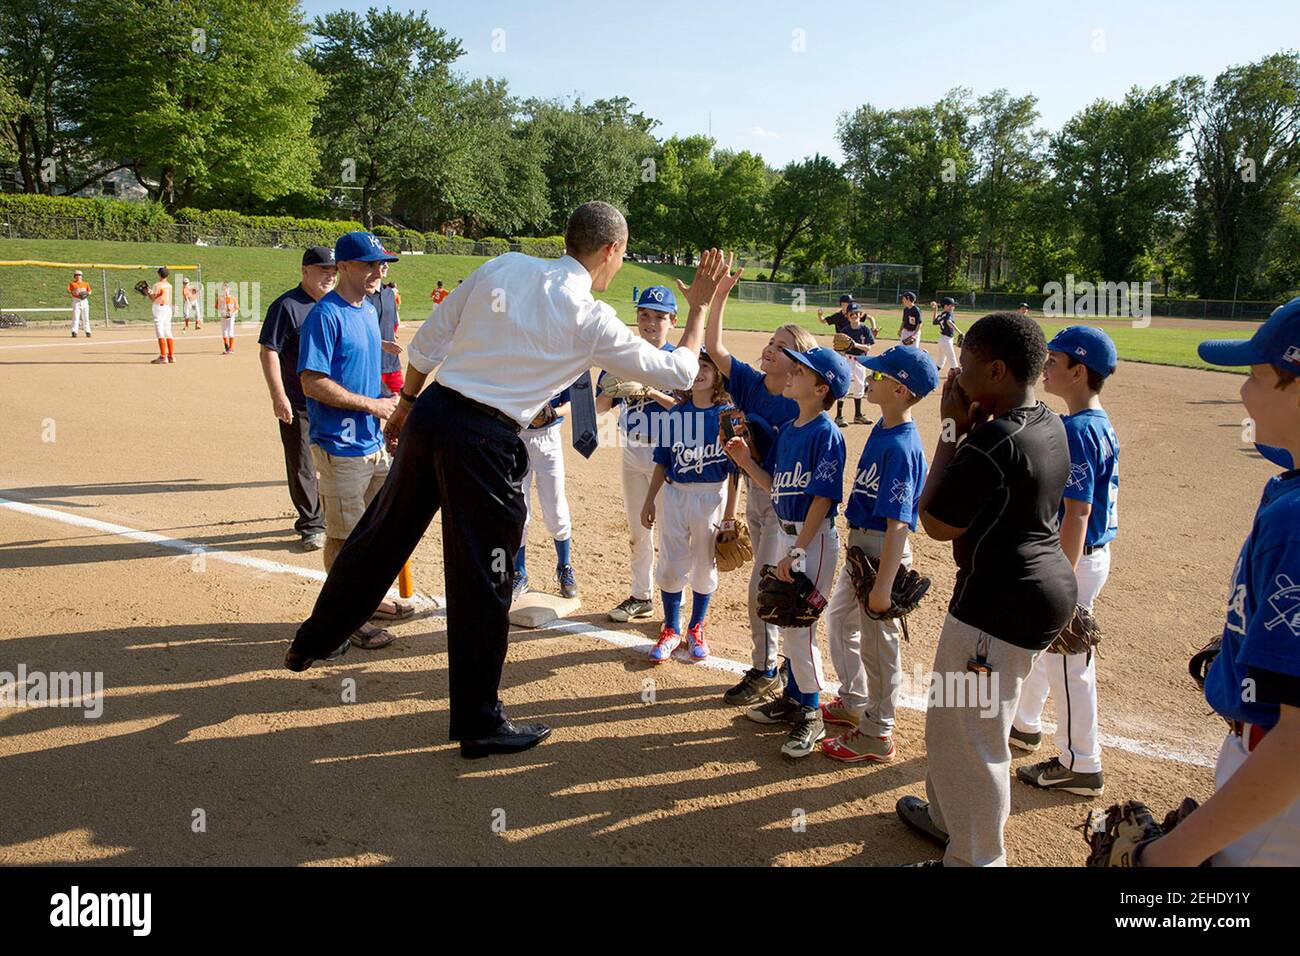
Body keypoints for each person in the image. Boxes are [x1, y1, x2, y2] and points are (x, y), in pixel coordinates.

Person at [284, 203, 724, 761]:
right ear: (611, 250)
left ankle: (314, 639)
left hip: (435, 411)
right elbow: (680, 373)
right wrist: (699, 309)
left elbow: (431, 340)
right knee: (483, 583)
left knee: (381, 533)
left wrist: (408, 404)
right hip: (484, 442)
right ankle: (478, 722)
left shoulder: (505, 266)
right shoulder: (589, 316)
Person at [895, 312, 1076, 867]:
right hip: (1036, 589)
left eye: (966, 366)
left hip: (997, 607)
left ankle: (975, 860)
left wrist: (950, 429)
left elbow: (936, 520)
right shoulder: (1045, 419)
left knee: (970, 741)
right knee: (959, 725)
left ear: (996, 369)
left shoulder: (992, 438)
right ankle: (950, 822)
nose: (956, 377)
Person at [1137, 298, 1300, 867]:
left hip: (1275, 788)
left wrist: (1165, 858)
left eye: (1258, 376)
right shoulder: (1288, 487)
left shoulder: (1296, 519)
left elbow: (1296, 749)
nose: (1242, 392)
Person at [727, 346, 850, 759]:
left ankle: (812, 714)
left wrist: (797, 552)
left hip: (811, 540)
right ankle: (796, 701)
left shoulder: (825, 434)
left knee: (800, 627)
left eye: (801, 371)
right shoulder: (792, 429)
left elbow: (821, 499)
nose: (791, 374)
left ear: (821, 387)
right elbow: (774, 486)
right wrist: (745, 461)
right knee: (784, 616)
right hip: (787, 533)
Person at [295, 232, 416, 650]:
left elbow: (353, 358)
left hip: (372, 443)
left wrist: (374, 350)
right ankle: (343, 618)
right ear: (342, 266)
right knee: (344, 537)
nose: (378, 271)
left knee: (377, 531)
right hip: (339, 446)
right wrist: (373, 406)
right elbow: (312, 382)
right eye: (369, 264)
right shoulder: (324, 316)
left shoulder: (366, 310)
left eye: (382, 264)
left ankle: (368, 600)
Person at [704, 261, 818, 705]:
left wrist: (746, 461)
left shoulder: (797, 406)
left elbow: (784, 481)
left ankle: (766, 668)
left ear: (799, 363)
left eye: (782, 346)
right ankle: (780, 666)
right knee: (769, 585)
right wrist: (721, 294)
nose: (770, 349)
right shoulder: (752, 383)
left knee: (765, 586)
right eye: (771, 342)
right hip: (757, 493)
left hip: (783, 503)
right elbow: (713, 346)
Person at [1013, 327, 1119, 796]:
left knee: (1069, 663)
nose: (1045, 367)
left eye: (1054, 361)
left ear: (1079, 372)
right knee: (1042, 645)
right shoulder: (1094, 421)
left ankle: (1082, 763)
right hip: (1085, 555)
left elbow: (1077, 513)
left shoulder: (1077, 430)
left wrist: (1063, 577)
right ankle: (1024, 723)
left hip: (1075, 557)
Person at [821, 346, 937, 763]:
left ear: (902, 389)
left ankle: (877, 730)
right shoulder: (883, 428)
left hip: (881, 551)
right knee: (838, 622)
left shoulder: (904, 446)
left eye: (879, 376)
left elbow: (899, 524)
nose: (868, 378)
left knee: (879, 643)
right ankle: (854, 701)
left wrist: (884, 587)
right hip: (861, 546)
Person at [597, 286, 684, 624]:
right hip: (632, 449)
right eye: (644, 315)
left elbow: (689, 408)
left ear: (673, 321)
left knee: (671, 532)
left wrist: (648, 389)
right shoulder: (625, 358)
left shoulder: (680, 361)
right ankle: (640, 595)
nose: (651, 322)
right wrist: (607, 387)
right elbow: (602, 405)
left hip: (667, 455)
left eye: (660, 317)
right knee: (638, 527)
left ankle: (674, 606)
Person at [643, 351, 737, 663]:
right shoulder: (676, 414)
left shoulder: (727, 415)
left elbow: (736, 469)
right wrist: (649, 500)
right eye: (695, 367)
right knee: (671, 562)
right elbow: (662, 461)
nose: (699, 372)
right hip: (675, 494)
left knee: (703, 562)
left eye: (706, 367)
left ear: (717, 376)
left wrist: (729, 515)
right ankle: (671, 628)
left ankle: (697, 627)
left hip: (711, 495)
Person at [258, 248, 337, 552]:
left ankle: (335, 514)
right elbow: (269, 350)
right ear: (305, 271)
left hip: (334, 400)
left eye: (333, 270)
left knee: (337, 461)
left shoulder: (336, 304)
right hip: (299, 400)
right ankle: (312, 524)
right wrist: (278, 396)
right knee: (302, 462)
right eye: (322, 270)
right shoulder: (287, 305)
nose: (330, 275)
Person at [514, 384, 580, 601]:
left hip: (549, 437)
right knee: (518, 508)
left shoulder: (561, 358)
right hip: (517, 436)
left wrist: (552, 413)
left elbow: (574, 402)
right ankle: (518, 571)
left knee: (556, 508)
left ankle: (564, 566)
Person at [833, 306, 877, 426]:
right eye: (851, 314)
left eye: (856, 313)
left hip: (860, 360)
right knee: (845, 386)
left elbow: (868, 347)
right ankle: (839, 417)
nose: (854, 316)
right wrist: (842, 351)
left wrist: (855, 344)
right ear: (847, 316)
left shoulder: (865, 329)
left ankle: (858, 415)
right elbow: (839, 349)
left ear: (861, 314)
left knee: (860, 386)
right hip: (847, 359)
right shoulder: (845, 330)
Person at [369, 262, 404, 397]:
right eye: (382, 263)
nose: (386, 266)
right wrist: (382, 343)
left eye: (387, 263)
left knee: (403, 408)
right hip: (373, 364)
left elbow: (394, 322)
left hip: (392, 363)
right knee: (373, 410)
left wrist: (393, 335)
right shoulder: (360, 297)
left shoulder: (389, 293)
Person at [148, 267, 175, 365]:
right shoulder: (169, 285)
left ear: (159, 274)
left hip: (159, 308)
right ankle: (171, 355)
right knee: (168, 331)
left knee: (160, 331)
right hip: (168, 308)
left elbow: (153, 298)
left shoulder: (157, 285)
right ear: (167, 275)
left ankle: (163, 357)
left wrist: (147, 293)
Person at [931, 296, 962, 371]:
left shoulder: (942, 315)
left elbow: (934, 321)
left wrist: (935, 309)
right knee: (952, 359)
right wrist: (959, 332)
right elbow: (949, 322)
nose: (953, 307)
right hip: (946, 340)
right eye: (952, 305)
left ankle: (934, 370)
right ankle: (956, 375)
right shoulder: (948, 314)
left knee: (941, 360)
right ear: (946, 306)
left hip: (942, 339)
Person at [217, 281, 239, 355]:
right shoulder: (220, 298)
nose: (225, 290)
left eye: (227, 289)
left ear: (229, 289)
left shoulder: (233, 298)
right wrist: (223, 312)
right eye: (224, 289)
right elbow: (217, 307)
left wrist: (232, 313)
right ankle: (227, 348)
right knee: (224, 331)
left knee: (231, 331)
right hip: (223, 316)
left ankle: (231, 348)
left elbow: (237, 308)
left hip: (231, 317)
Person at [68, 270, 91, 338]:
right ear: (75, 276)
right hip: (76, 301)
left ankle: (88, 331)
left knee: (86, 317)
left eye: (80, 275)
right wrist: (75, 293)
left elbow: (89, 291)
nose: (78, 276)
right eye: (77, 275)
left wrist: (86, 294)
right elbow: (70, 291)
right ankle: (74, 331)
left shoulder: (85, 283)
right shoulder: (72, 284)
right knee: (76, 317)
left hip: (84, 301)